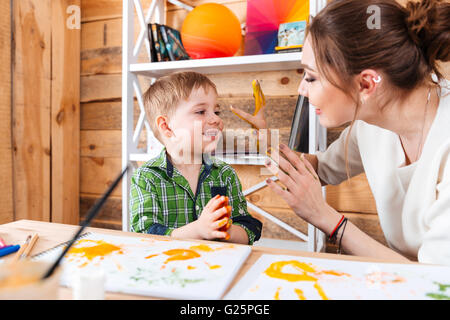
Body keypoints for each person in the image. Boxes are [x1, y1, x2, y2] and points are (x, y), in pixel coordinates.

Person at [231, 0, 450, 265]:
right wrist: (268, 144)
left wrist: (327, 219)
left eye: (311, 77)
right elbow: (320, 169)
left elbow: (436, 283)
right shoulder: (370, 125)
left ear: (366, 83)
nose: (301, 88)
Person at [129, 71, 262, 245]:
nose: (215, 119)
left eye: (216, 111)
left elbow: (248, 227)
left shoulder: (224, 173)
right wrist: (199, 230)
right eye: (201, 111)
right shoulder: (146, 177)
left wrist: (225, 230)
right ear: (167, 126)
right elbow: (144, 236)